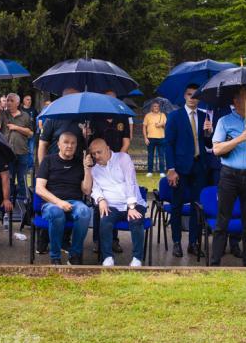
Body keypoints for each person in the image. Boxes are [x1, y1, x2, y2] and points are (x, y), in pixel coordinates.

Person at [210, 87, 246, 267]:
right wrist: (239, 139)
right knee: (222, 221)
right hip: (229, 176)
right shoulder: (224, 121)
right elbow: (216, 149)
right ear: (235, 102)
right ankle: (215, 263)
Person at [165, 84, 212, 258]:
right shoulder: (175, 116)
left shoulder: (204, 116)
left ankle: (194, 242)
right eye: (189, 94)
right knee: (177, 206)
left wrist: (209, 133)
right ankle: (177, 242)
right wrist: (171, 169)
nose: (192, 98)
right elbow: (168, 144)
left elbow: (209, 145)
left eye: (195, 95)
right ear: (184, 96)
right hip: (180, 168)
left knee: (197, 207)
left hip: (200, 167)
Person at [35, 131, 93, 265]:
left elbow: (86, 190)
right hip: (51, 203)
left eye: (73, 143)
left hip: (75, 203)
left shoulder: (80, 162)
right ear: (58, 144)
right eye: (66, 142)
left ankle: (75, 255)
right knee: (56, 212)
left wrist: (87, 169)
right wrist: (59, 202)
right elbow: (39, 189)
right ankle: (55, 256)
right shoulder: (48, 160)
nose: (69, 146)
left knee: (85, 211)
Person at [89, 138, 146, 267]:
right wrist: (100, 199)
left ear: (108, 148)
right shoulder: (94, 169)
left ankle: (137, 258)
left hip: (133, 202)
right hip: (112, 205)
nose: (96, 156)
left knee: (135, 220)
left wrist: (131, 206)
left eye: (99, 152)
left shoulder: (122, 158)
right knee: (104, 221)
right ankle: (107, 257)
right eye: (93, 154)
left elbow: (130, 181)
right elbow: (95, 189)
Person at [0, 93, 33, 203]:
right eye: (7, 100)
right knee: (8, 179)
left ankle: (26, 204)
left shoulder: (25, 116)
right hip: (7, 153)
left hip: (22, 152)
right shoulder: (3, 114)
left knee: (22, 179)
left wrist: (16, 127)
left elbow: (30, 133)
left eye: (11, 100)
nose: (8, 102)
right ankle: (8, 204)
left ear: (17, 103)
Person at [91, 90, 130, 154]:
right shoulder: (96, 118)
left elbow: (126, 142)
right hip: (101, 158)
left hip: (119, 156)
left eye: (113, 100)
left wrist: (117, 158)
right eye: (108, 99)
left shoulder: (123, 117)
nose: (111, 102)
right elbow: (94, 141)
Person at [142, 101, 167, 178]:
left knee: (161, 156)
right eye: (155, 106)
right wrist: (145, 138)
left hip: (161, 138)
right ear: (152, 107)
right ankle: (150, 171)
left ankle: (162, 172)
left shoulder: (163, 115)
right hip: (150, 138)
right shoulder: (147, 116)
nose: (156, 107)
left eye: (157, 106)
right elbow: (144, 127)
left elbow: (167, 126)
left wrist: (161, 124)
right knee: (150, 156)